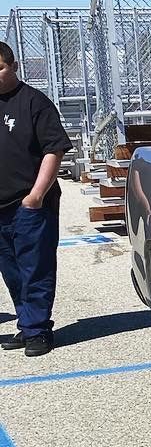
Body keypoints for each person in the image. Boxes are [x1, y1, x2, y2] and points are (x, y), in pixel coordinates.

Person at [0, 41, 72, 357]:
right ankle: (27, 325)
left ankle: (38, 330)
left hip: (29, 205)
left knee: (35, 269)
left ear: (13, 66)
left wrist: (36, 195)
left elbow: (53, 149)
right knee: (12, 271)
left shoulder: (34, 102)